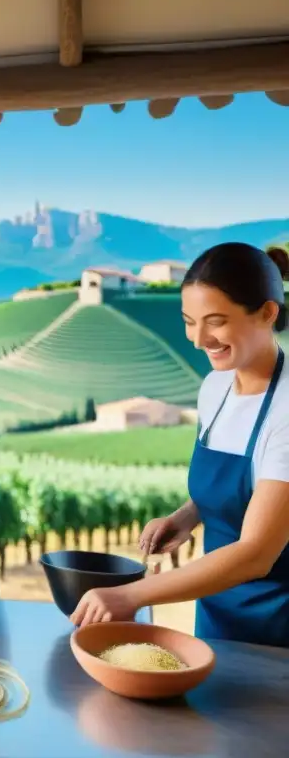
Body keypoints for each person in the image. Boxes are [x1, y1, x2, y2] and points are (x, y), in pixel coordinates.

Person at [72, 242, 289, 648]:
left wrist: (129, 595)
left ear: (267, 312)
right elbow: (251, 487)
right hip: (217, 617)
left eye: (216, 322)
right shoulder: (216, 387)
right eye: (189, 321)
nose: (198, 339)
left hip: (278, 628)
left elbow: (257, 553)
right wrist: (189, 514)